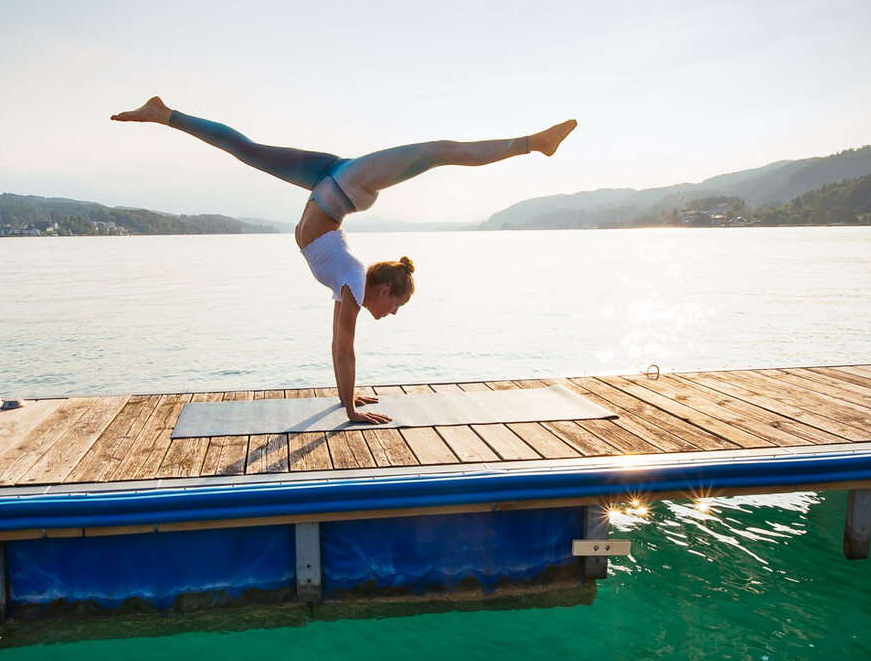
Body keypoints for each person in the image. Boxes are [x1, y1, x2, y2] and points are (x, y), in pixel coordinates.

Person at [113, 97, 576, 423]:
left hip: (329, 182)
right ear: (382, 289)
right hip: (348, 184)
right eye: (395, 305)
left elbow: (337, 349)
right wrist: (351, 411)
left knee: (248, 151)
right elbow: (345, 348)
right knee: (438, 153)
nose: (391, 314)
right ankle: (535, 142)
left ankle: (164, 113)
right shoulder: (353, 283)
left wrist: (348, 396)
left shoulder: (349, 285)